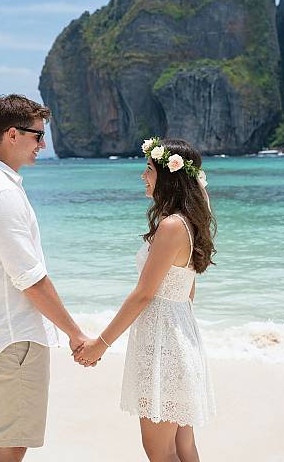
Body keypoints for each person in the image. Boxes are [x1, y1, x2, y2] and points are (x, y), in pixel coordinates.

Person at [0, 94, 89, 462]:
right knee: (13, 441)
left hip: (2, 333)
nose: (43, 145)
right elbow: (30, 278)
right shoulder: (0, 193)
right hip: (14, 336)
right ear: (13, 135)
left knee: (8, 436)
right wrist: (75, 333)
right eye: (37, 136)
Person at [75, 138, 216, 462]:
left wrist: (101, 343)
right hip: (180, 335)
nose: (143, 175)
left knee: (159, 450)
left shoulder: (170, 226)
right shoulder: (188, 222)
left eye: (148, 169)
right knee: (183, 446)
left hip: (164, 342)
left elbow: (143, 294)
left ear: (169, 176)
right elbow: (188, 292)